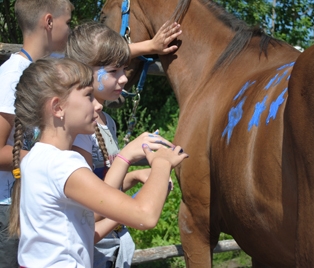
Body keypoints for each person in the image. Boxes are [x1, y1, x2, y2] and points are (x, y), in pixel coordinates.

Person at [9, 57, 188, 267]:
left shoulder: (36, 158)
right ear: (57, 107)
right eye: (88, 96)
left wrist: (128, 208)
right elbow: (146, 216)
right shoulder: (63, 165)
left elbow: (83, 234)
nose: (97, 105)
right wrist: (162, 163)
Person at [65, 21, 181, 267]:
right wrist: (127, 156)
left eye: (124, 69)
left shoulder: (107, 122)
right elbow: (89, 208)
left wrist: (135, 176)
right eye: (114, 71)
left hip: (112, 244)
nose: (123, 79)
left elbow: (105, 183)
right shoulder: (79, 132)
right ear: (85, 72)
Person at [0, 1, 74, 266]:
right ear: (49, 22)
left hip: (32, 201)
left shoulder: (45, 69)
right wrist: (47, 161)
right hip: (9, 207)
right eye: (68, 23)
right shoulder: (12, 76)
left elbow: (95, 56)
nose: (70, 31)